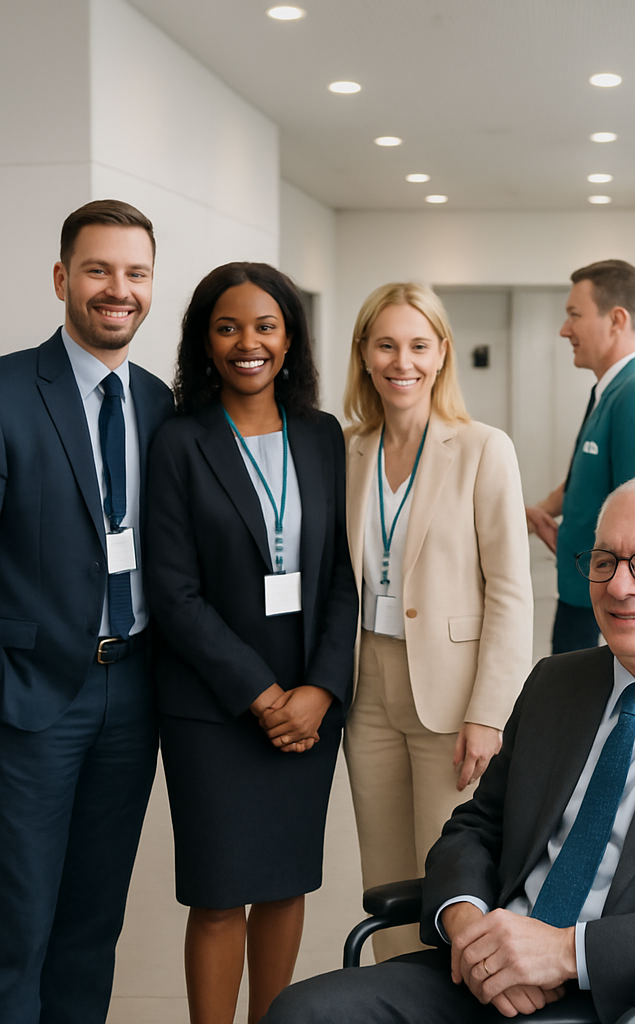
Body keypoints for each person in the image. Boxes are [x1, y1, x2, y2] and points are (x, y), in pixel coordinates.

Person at [262, 474, 635, 1024]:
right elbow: (476, 828)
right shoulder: (556, 683)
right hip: (487, 971)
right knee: (301, 1012)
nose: (619, 586)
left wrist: (567, 953)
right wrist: (468, 926)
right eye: (604, 561)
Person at [144, 262, 358, 1024]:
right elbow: (173, 592)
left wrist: (320, 691)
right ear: (204, 341)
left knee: (283, 884)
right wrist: (265, 696)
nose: (247, 343)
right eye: (227, 326)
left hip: (309, 702)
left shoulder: (322, 435)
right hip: (214, 709)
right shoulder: (177, 442)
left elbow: (340, 575)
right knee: (216, 893)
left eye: (265, 326)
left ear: (290, 338)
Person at [0, 200, 173, 1024]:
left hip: (133, 694)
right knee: (16, 924)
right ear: (64, 278)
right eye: (99, 270)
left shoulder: (159, 403)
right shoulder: (5, 390)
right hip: (32, 698)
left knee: (94, 921)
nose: (119, 290)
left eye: (135, 273)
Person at [343, 282, 533, 962]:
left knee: (451, 875)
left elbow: (511, 589)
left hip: (452, 696)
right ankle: (393, 1000)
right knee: (385, 874)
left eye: (419, 345)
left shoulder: (483, 448)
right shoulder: (349, 450)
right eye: (387, 344)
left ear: (442, 353)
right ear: (364, 353)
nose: (403, 361)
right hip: (367, 687)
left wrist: (490, 711)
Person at [526, 260, 635, 655]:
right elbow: (588, 475)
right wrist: (539, 512)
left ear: (616, 320)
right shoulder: (612, 389)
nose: (565, 330)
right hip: (586, 588)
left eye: (574, 315)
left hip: (612, 598)